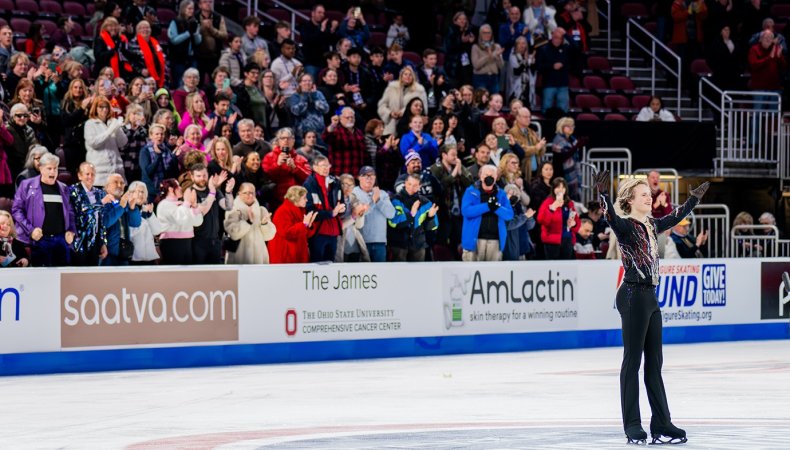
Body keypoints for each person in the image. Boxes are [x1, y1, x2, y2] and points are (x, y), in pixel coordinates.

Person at [594, 169, 709, 445]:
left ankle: (661, 422)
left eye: (649, 194)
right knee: (632, 362)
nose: (650, 197)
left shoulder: (650, 224)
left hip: (650, 297)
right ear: (631, 200)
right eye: (644, 194)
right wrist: (602, 196)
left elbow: (673, 217)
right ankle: (632, 424)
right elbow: (609, 215)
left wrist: (692, 200)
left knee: (654, 364)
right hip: (633, 295)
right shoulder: (625, 225)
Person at [12, 153, 76, 267]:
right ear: (41, 168)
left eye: (55, 168)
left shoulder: (64, 188)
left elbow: (70, 213)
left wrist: (71, 231)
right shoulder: (26, 185)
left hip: (61, 240)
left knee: (62, 278)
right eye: (49, 168)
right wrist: (30, 230)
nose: (53, 172)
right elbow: (17, 210)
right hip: (39, 240)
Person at [460, 164, 514, 261]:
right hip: (474, 240)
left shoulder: (501, 194)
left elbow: (509, 215)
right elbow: (466, 211)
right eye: (486, 175)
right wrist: (487, 206)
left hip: (495, 241)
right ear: (480, 176)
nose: (489, 177)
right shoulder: (470, 191)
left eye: (492, 175)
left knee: (493, 275)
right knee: (470, 274)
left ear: (496, 177)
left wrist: (497, 207)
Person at [431, 144, 473, 259]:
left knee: (459, 241)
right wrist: (454, 174)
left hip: (458, 211)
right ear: (444, 155)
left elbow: (470, 184)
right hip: (442, 212)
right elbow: (440, 186)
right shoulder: (436, 168)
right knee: (442, 242)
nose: (456, 158)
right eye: (453, 155)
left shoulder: (459, 166)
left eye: (457, 155)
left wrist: (460, 172)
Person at [388, 173, 439, 261]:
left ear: (420, 186)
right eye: (409, 184)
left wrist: (430, 217)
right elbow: (393, 222)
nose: (411, 187)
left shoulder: (426, 202)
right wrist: (411, 214)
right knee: (399, 273)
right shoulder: (395, 200)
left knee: (418, 274)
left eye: (415, 185)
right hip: (399, 245)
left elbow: (434, 226)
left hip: (418, 245)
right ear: (405, 183)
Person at [303, 156, 345, 262]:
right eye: (323, 166)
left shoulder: (335, 182)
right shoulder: (309, 184)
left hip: (333, 231)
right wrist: (331, 213)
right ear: (315, 167)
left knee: (330, 264)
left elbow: (342, 202)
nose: (326, 168)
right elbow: (309, 211)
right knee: (317, 265)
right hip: (318, 232)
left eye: (328, 165)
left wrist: (342, 209)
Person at [223, 182, 277, 264]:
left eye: (252, 192)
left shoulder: (262, 210)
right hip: (239, 257)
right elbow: (233, 233)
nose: (250, 195)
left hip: (259, 258)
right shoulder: (233, 210)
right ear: (239, 193)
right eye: (246, 193)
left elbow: (269, 237)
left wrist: (264, 224)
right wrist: (248, 222)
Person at [190, 165, 234, 264]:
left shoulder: (214, 191)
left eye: (204, 175)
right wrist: (212, 193)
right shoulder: (190, 192)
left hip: (215, 241)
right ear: (192, 177)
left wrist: (228, 192)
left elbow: (228, 206)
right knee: (199, 274)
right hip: (197, 242)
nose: (202, 178)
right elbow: (201, 213)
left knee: (215, 275)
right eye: (198, 176)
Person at [69, 163, 109, 266]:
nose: (90, 177)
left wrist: (103, 242)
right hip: (79, 240)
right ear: (80, 176)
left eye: (92, 174)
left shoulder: (99, 193)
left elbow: (101, 221)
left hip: (95, 240)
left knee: (92, 276)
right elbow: (81, 212)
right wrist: (101, 203)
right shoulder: (73, 190)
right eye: (87, 174)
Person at [352, 166, 395, 262]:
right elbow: (360, 213)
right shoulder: (354, 192)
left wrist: (378, 200)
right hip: (359, 242)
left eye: (371, 175)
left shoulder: (382, 194)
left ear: (375, 178)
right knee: (361, 275)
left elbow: (391, 214)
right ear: (359, 177)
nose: (369, 178)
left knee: (380, 274)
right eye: (365, 175)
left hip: (379, 242)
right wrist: (374, 200)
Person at [262, 128, 312, 211]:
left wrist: (295, 168)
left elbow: (308, 179)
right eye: (282, 138)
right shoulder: (269, 157)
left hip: (298, 200)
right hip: (276, 201)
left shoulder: (301, 159)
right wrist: (277, 165)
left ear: (293, 141)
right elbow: (266, 177)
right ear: (278, 141)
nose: (286, 140)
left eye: (288, 138)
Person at [156, 178, 203, 264]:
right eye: (178, 187)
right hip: (172, 243)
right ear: (170, 189)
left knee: (186, 275)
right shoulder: (164, 204)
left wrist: (195, 205)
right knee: (174, 274)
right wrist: (187, 202)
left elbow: (197, 222)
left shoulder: (183, 204)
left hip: (187, 242)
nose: (181, 188)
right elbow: (180, 219)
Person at [85, 97, 128, 187]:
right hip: (100, 175)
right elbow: (94, 143)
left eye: (106, 107)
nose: (104, 110)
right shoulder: (90, 124)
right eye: (101, 107)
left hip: (116, 171)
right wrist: (109, 130)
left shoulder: (112, 122)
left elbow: (123, 143)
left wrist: (117, 128)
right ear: (95, 108)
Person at [269, 185, 318, 264]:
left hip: (297, 253)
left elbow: (305, 234)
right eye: (304, 198)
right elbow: (287, 233)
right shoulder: (282, 211)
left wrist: (309, 225)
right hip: (285, 255)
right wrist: (304, 224)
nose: (306, 200)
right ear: (296, 198)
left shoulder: (300, 210)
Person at [101, 174, 142, 266]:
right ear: (107, 186)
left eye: (122, 183)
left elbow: (136, 223)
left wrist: (132, 208)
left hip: (123, 252)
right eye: (115, 182)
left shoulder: (123, 202)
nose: (119, 185)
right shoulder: (102, 201)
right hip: (107, 253)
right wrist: (121, 206)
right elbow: (105, 222)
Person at [377, 66, 428, 136]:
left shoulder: (419, 90)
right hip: (391, 125)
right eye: (405, 74)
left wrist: (404, 112)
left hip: (409, 126)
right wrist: (390, 113)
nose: (408, 76)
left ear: (413, 77)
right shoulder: (392, 87)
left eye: (410, 75)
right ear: (401, 76)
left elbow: (423, 110)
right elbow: (382, 106)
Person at [537, 177, 580, 259]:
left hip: (567, 239)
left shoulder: (569, 203)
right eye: (558, 187)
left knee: (567, 268)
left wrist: (574, 224)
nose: (560, 189)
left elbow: (577, 221)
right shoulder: (547, 202)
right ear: (553, 189)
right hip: (551, 241)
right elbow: (541, 220)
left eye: (562, 187)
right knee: (553, 268)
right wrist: (552, 208)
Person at [167, 0, 202, 88]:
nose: (191, 10)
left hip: (191, 57)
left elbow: (198, 41)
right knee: (180, 82)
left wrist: (195, 33)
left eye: (192, 8)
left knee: (193, 83)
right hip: (178, 58)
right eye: (189, 8)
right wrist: (188, 33)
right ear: (183, 9)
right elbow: (174, 40)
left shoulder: (195, 22)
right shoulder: (175, 22)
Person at [323, 107, 368, 177]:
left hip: (357, 175)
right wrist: (333, 125)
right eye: (347, 118)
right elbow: (325, 137)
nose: (350, 119)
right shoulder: (336, 131)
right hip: (340, 174)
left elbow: (364, 154)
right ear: (340, 119)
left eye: (352, 117)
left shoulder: (359, 133)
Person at [336, 173, 369, 262]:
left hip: (353, 240)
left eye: (350, 185)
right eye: (343, 184)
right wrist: (353, 217)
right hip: (339, 240)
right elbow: (338, 226)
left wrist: (361, 214)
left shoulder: (354, 198)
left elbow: (359, 226)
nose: (347, 187)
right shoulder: (335, 199)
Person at [127, 180, 162, 264]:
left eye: (142, 192)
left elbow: (157, 231)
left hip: (149, 257)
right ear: (131, 193)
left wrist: (150, 215)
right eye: (137, 191)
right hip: (134, 257)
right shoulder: (127, 210)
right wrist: (143, 215)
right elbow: (134, 233)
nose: (140, 194)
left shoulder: (146, 209)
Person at [287, 74, 329, 143]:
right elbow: (296, 111)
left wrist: (315, 98)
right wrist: (305, 97)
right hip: (302, 134)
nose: (307, 83)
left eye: (309, 81)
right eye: (304, 81)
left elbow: (326, 109)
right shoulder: (295, 96)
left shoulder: (318, 94)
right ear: (300, 83)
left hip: (319, 132)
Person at [537, 28, 571, 114]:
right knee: (546, 109)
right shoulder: (543, 49)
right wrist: (552, 66)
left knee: (564, 110)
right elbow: (539, 67)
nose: (557, 40)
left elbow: (577, 47)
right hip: (549, 84)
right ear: (552, 36)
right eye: (555, 37)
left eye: (560, 38)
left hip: (563, 85)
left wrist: (566, 34)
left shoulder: (566, 49)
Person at [551, 117, 585, 201]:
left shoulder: (573, 139)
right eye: (568, 126)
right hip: (561, 173)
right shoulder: (558, 140)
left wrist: (578, 146)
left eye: (572, 126)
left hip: (574, 172)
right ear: (561, 127)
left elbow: (577, 157)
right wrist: (576, 146)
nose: (571, 128)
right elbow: (563, 157)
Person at [128, 20, 166, 88]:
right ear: (137, 31)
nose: (145, 29)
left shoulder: (155, 42)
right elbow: (130, 61)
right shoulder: (133, 43)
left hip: (158, 76)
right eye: (142, 28)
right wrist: (140, 70)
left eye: (147, 27)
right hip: (141, 78)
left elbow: (162, 56)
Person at [195, 0, 228, 80]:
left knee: (214, 81)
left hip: (214, 56)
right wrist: (202, 28)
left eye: (210, 2)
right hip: (198, 56)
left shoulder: (218, 17)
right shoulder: (194, 17)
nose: (208, 4)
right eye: (205, 2)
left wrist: (212, 29)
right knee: (198, 82)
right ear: (200, 5)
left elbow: (225, 35)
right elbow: (191, 34)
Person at [471, 24, 505, 94]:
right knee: (481, 101)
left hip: (494, 78)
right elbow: (476, 65)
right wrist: (490, 56)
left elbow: (501, 66)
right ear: (480, 34)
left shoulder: (496, 47)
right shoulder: (475, 47)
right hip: (480, 78)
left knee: (495, 100)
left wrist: (498, 57)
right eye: (484, 33)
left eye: (488, 32)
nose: (487, 35)